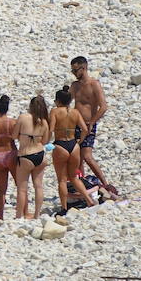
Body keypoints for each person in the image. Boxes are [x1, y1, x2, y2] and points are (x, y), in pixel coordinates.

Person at [71, 55, 119, 197]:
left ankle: (106, 184)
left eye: (75, 70)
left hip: (88, 124)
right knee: (77, 158)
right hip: (75, 124)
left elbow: (103, 106)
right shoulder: (75, 86)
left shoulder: (94, 84)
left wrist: (92, 122)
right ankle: (82, 185)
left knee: (87, 156)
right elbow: (68, 101)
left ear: (83, 68)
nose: (74, 73)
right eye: (72, 71)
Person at [50, 87, 95, 211]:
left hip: (60, 145)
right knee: (74, 177)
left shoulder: (55, 111)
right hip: (73, 146)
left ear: (58, 101)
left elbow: (51, 128)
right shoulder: (75, 112)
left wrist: (46, 142)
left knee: (62, 180)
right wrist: (79, 140)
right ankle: (89, 200)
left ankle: (64, 208)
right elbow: (85, 130)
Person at [13, 95, 51, 219]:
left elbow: (14, 135)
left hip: (25, 155)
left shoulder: (23, 118)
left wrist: (22, 137)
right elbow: (45, 141)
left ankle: (19, 216)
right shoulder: (44, 122)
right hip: (40, 154)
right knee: (38, 185)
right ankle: (36, 215)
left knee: (22, 188)